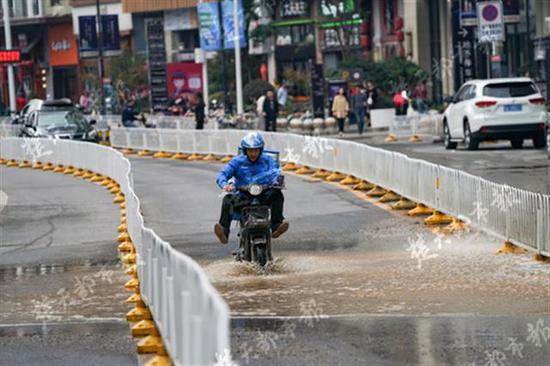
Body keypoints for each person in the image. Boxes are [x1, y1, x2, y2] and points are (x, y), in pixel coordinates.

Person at [214, 132, 289, 244]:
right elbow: (222, 174)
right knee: (227, 199)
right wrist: (225, 185)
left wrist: (278, 181)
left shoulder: (268, 160)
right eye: (250, 150)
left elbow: (276, 173)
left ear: (260, 150)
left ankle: (276, 226)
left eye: (256, 150)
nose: (253, 153)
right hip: (243, 195)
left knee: (277, 194)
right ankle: (224, 231)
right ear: (245, 150)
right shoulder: (237, 162)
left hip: (264, 194)